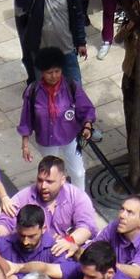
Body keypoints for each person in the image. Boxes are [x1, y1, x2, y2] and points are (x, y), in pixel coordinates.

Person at [18, 47, 98, 191]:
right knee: (51, 176)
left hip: (70, 138)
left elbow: (86, 109)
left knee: (78, 173)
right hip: (46, 142)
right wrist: (25, 144)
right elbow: (26, 119)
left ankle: (79, 203)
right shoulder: (33, 91)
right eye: (49, 72)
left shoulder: (71, 87)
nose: (54, 76)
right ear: (42, 72)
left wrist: (87, 126)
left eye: (57, 71)